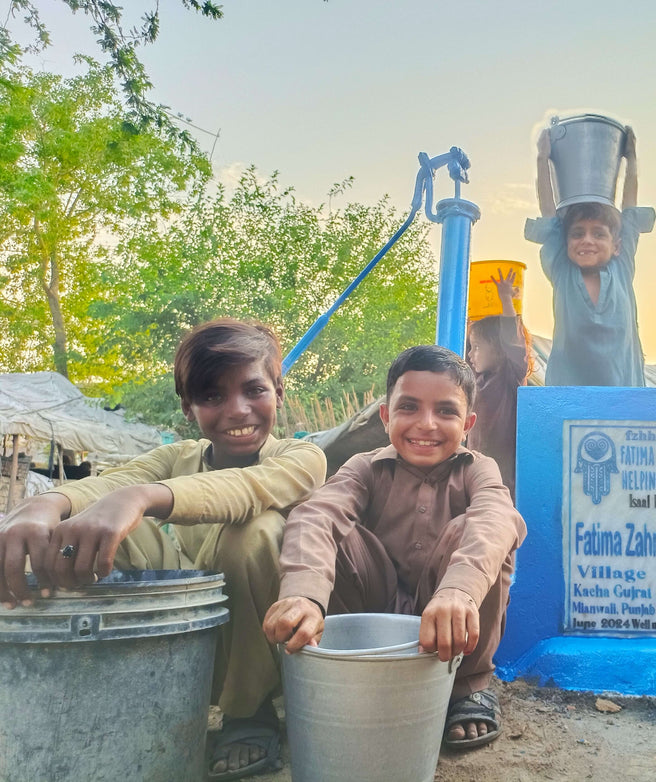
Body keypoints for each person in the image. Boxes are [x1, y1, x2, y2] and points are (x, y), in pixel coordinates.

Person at [0, 318, 328, 780]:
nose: (238, 410)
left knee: (255, 531)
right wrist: (45, 506)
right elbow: (109, 483)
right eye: (213, 396)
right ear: (189, 409)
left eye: (254, 390)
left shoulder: (301, 458)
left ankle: (248, 712)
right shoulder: (176, 458)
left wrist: (141, 498)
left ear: (279, 392)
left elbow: (244, 489)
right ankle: (121, 684)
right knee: (96, 529)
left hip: (268, 641)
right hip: (193, 633)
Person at [264, 344, 527, 750]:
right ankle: (356, 673)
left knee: (485, 535)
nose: (426, 424)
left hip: (448, 615)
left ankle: (465, 688)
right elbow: (317, 515)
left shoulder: (479, 469)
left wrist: (459, 589)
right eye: (409, 408)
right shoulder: (362, 467)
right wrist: (303, 592)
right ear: (386, 416)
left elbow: (496, 518)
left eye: (445, 411)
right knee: (331, 530)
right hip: (374, 616)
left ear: (468, 424)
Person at [524, 124, 655, 387]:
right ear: (566, 241)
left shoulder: (621, 268)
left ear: (616, 245)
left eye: (598, 234)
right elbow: (549, 215)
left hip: (624, 392)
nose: (587, 240)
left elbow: (629, 210)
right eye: (577, 234)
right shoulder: (562, 270)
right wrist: (543, 159)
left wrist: (631, 160)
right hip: (569, 394)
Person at [466, 266, 533, 498]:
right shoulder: (475, 381)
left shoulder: (509, 376)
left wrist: (505, 300)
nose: (470, 355)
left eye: (477, 348)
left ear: (498, 349)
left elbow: (512, 341)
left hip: (504, 480)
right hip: (475, 474)